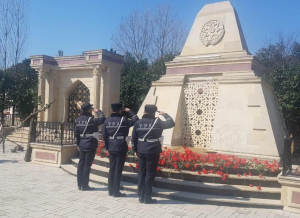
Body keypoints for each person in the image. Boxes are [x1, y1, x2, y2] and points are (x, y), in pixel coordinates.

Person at [132, 105, 175, 204]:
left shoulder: (138, 123)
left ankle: (141, 195)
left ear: (144, 112)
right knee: (150, 173)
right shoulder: (158, 122)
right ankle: (147, 197)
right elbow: (172, 123)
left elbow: (134, 137)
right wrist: (165, 114)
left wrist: (135, 150)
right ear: (154, 112)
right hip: (153, 151)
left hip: (141, 150)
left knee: (141, 172)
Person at [103, 103, 139, 197]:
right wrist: (130, 111)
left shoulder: (107, 121)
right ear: (120, 110)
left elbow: (104, 136)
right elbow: (136, 120)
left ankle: (110, 190)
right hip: (121, 146)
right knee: (118, 170)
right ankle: (116, 191)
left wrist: (107, 147)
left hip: (111, 146)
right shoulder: (124, 120)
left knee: (112, 169)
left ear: (111, 110)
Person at [75, 102, 106, 191]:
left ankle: (79, 184)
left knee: (81, 164)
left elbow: (76, 133)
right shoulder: (91, 120)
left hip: (81, 143)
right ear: (89, 110)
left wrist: (77, 144)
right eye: (91, 108)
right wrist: (98, 111)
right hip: (90, 144)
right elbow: (102, 119)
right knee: (87, 165)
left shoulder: (78, 119)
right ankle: (85, 185)